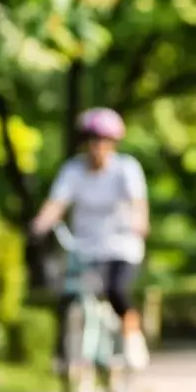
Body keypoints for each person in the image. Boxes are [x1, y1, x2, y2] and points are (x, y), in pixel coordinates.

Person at [28, 108, 151, 372]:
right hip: (86, 246)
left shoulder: (126, 169)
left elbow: (138, 203)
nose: (98, 146)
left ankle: (132, 337)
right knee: (69, 295)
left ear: (113, 144)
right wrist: (39, 224)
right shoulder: (73, 170)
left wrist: (139, 222)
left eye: (104, 141)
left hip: (121, 245)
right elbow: (56, 203)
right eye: (93, 140)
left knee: (116, 291)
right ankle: (65, 355)